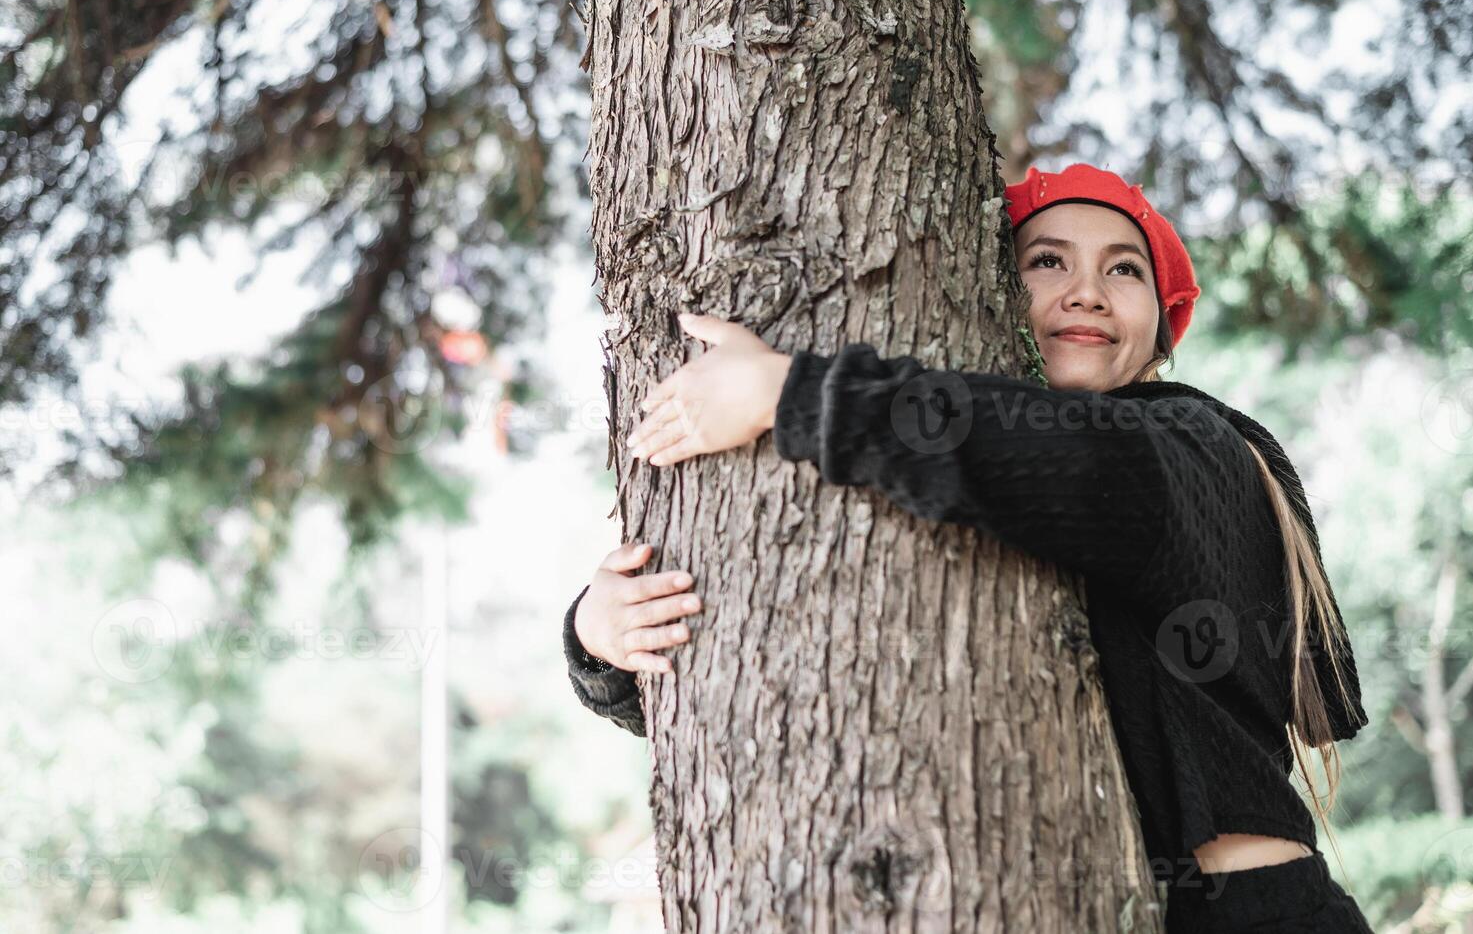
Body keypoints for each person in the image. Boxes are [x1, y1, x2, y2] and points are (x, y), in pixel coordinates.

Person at [559, 163, 1375, 933]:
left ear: (1162, 335)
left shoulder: (1192, 446)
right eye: (1046, 261)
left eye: (1125, 271)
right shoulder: (1005, 508)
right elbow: (806, 664)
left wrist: (790, 393)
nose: (1086, 290)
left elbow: (1068, 461)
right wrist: (602, 638)